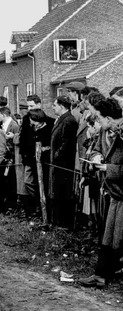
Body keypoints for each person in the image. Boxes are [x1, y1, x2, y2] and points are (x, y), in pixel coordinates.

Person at [79, 98, 123, 288]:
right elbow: (95, 148)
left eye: (99, 118)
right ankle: (101, 275)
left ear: (109, 118)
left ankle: (106, 273)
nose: (97, 122)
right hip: (114, 193)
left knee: (118, 236)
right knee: (109, 235)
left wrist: (107, 168)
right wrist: (96, 157)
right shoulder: (105, 130)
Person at [49, 96, 78, 228]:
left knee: (63, 192)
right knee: (58, 191)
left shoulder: (68, 120)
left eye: (55, 105)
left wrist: (57, 154)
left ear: (61, 106)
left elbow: (67, 142)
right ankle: (57, 220)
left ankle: (64, 222)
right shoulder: (62, 119)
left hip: (64, 164)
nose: (53, 107)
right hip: (58, 163)